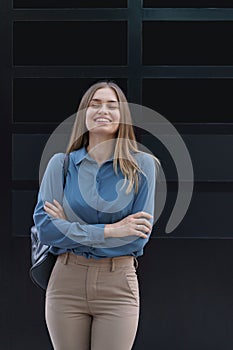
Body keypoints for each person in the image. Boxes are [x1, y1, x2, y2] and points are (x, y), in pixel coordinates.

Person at [33, 80, 160, 350]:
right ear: (83, 114)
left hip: (118, 285)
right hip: (66, 282)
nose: (103, 110)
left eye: (112, 105)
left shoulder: (143, 166)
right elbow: (46, 229)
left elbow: (136, 239)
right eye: (95, 104)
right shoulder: (62, 165)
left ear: (122, 115)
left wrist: (68, 226)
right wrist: (111, 231)